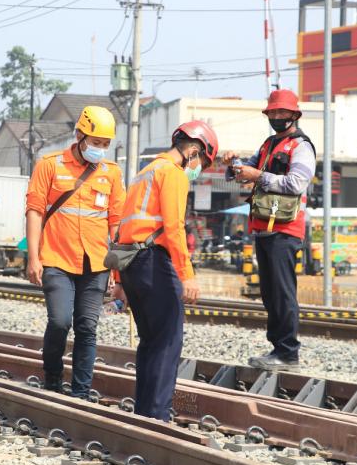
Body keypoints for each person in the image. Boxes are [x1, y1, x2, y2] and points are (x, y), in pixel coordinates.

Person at [112, 120, 218, 421]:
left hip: (132, 264)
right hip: (154, 262)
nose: (198, 169)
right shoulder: (172, 173)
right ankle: (157, 417)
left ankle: (144, 414)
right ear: (194, 150)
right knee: (168, 341)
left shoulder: (144, 173)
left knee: (150, 341)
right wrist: (187, 274)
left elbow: (122, 228)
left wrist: (119, 279)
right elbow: (173, 227)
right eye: (202, 162)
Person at [25, 106, 125, 397]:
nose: (101, 149)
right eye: (96, 142)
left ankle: (81, 391)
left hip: (96, 263)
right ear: (80, 135)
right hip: (56, 259)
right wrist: (34, 258)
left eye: (105, 144)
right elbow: (34, 212)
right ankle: (53, 378)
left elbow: (117, 225)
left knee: (87, 327)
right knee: (60, 322)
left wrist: (118, 272)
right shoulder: (50, 165)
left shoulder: (112, 174)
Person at [223, 89, 316, 371]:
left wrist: (258, 176)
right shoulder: (268, 145)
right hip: (264, 228)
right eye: (273, 113)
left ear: (294, 115)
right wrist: (233, 165)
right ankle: (278, 349)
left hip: (284, 230)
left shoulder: (301, 147)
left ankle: (288, 353)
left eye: (282, 113)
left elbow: (297, 183)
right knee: (270, 293)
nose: (276, 117)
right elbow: (244, 174)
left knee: (282, 292)